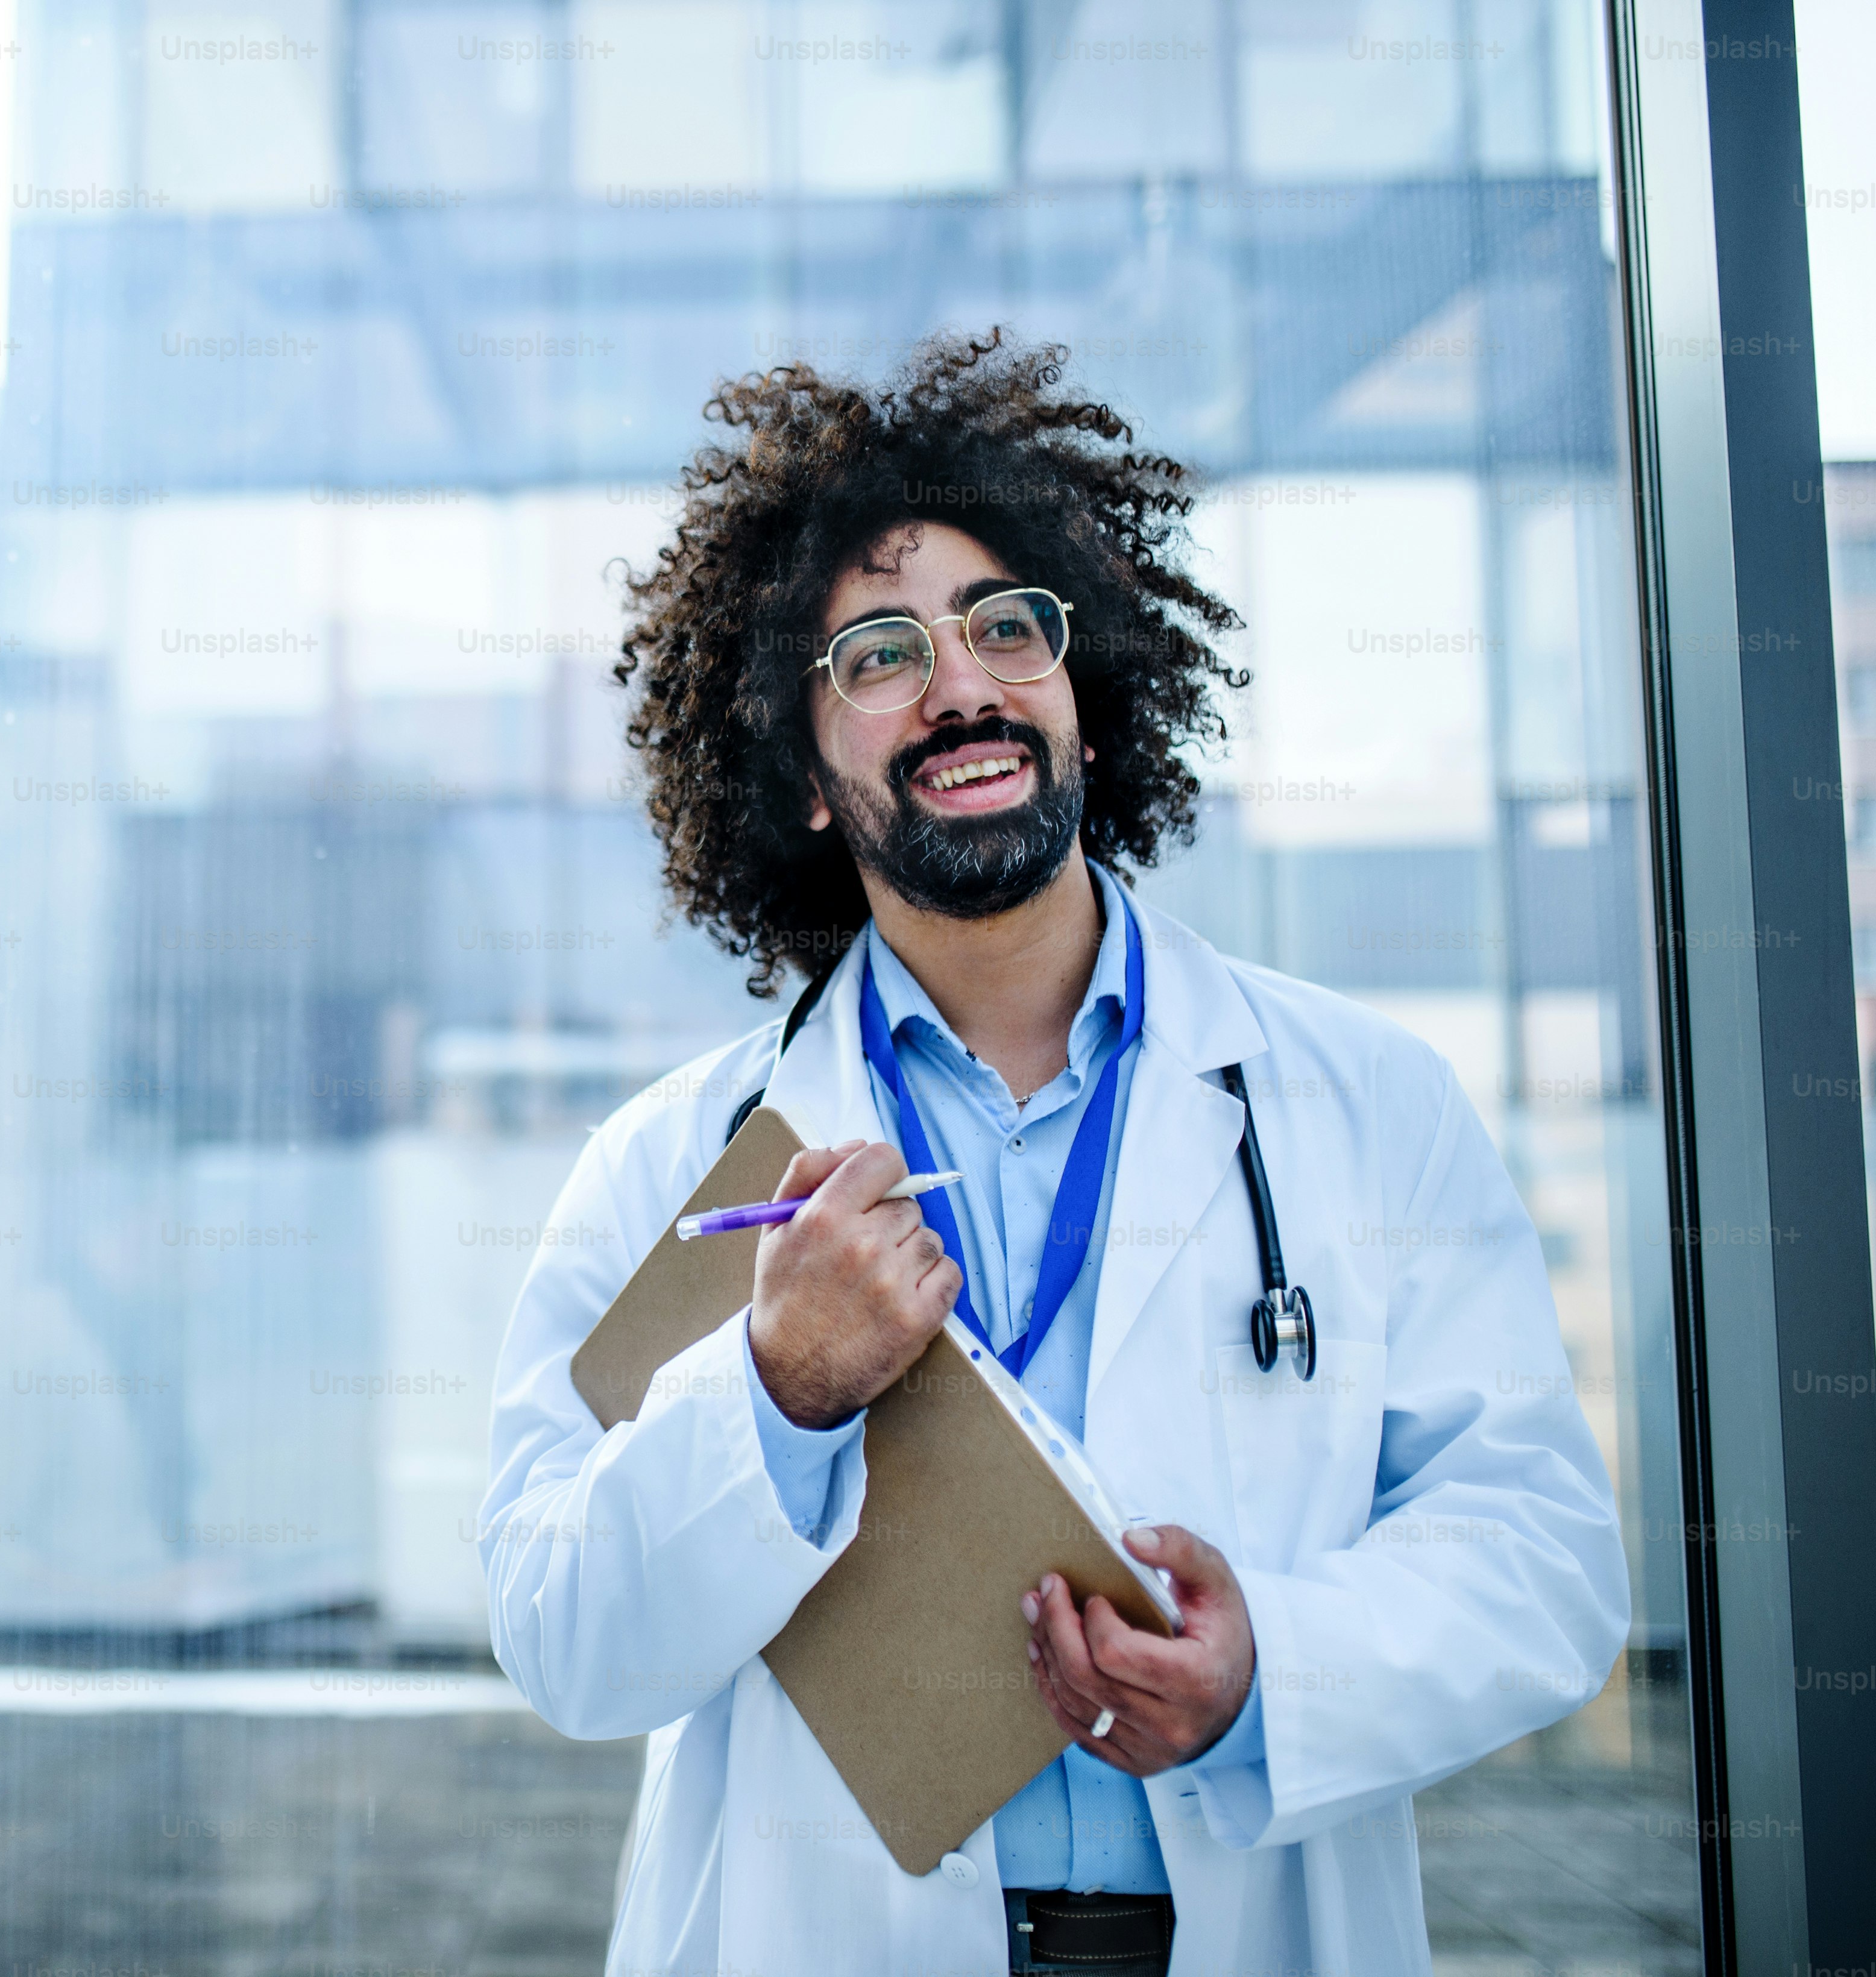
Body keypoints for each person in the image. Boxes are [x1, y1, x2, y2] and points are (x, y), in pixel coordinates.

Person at [479, 334, 1628, 1977]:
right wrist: (773, 1388)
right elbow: (558, 1636)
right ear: (803, 773)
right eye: (879, 655)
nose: (961, 686)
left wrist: (1271, 1675)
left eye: (1006, 628)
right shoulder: (675, 1162)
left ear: (1082, 693)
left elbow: (1543, 1555)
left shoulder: (1370, 1106)